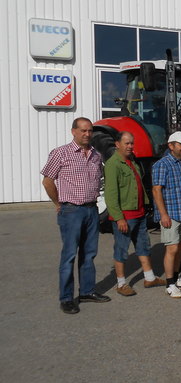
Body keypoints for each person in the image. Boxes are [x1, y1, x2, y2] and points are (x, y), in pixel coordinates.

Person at [41, 117, 111, 314]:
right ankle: (66, 298)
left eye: (89, 130)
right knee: (69, 255)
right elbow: (47, 181)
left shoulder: (96, 155)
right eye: (82, 130)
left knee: (89, 254)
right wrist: (58, 204)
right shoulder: (61, 153)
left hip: (91, 209)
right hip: (71, 210)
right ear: (73, 131)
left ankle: (87, 291)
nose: (87, 134)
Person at [104, 131, 165, 296]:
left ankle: (149, 277)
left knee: (143, 246)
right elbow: (110, 195)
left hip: (139, 213)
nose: (130, 146)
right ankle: (121, 283)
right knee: (121, 250)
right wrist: (119, 218)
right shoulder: (113, 164)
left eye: (132, 143)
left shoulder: (131, 161)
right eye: (127, 143)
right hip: (125, 216)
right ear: (117, 144)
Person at [152, 131, 181, 298]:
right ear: (171, 146)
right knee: (171, 248)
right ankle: (169, 284)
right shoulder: (162, 165)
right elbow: (157, 191)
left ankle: (176, 278)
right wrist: (163, 214)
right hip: (170, 213)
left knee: (179, 247)